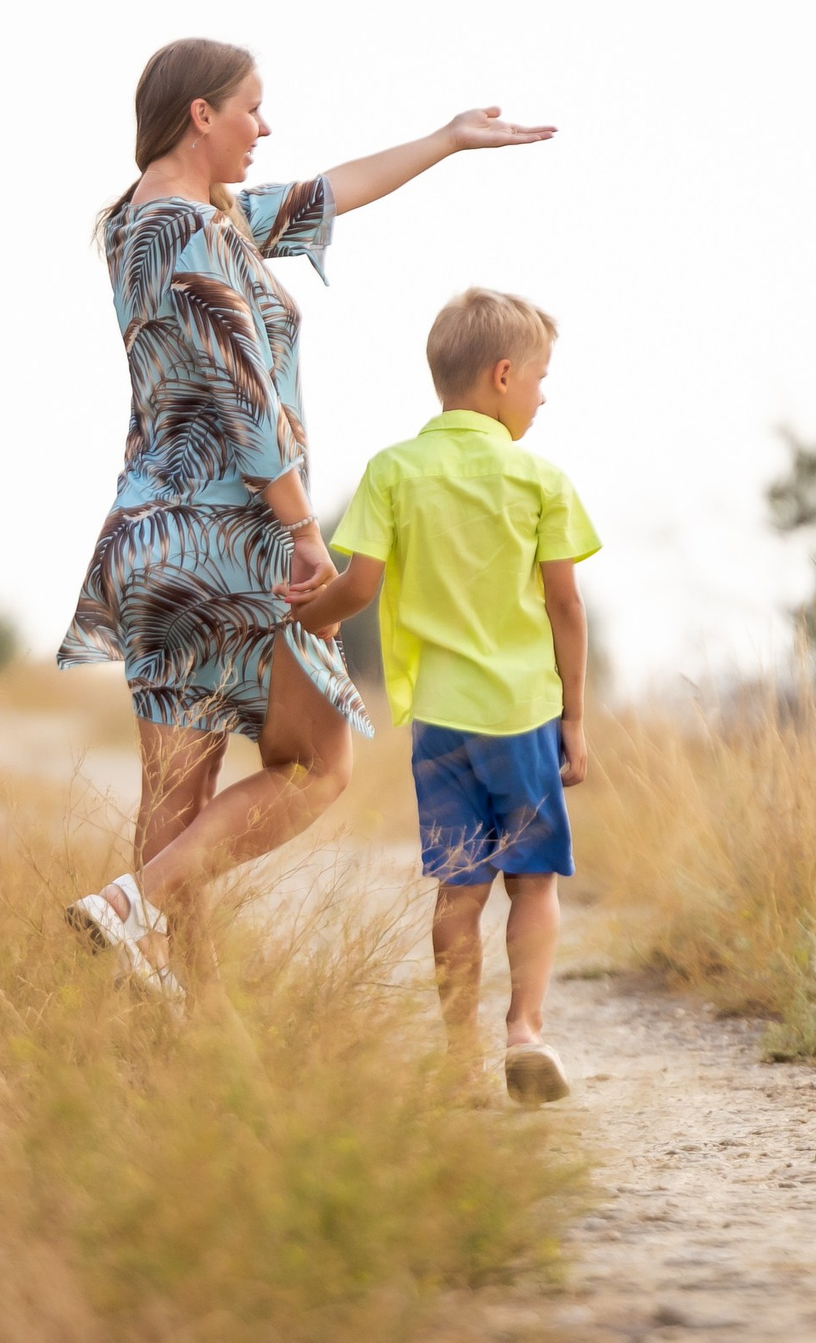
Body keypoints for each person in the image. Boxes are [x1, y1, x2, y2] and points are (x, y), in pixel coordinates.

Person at [59, 39, 553, 999]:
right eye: (252, 107)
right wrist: (299, 527)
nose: (264, 126)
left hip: (149, 540)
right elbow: (244, 392)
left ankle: (177, 1028)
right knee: (319, 766)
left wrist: (448, 139)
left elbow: (333, 190)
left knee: (180, 795)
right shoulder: (200, 233)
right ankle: (130, 904)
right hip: (233, 530)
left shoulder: (150, 221)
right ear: (201, 114)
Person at [289, 288, 598, 1104]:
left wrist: (301, 621)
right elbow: (566, 607)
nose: (543, 394)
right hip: (524, 717)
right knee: (533, 883)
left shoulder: (393, 469)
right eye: (539, 378)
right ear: (503, 376)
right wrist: (573, 718)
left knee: (458, 891)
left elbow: (356, 588)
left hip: (441, 723)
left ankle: (460, 1059)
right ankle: (524, 1031)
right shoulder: (539, 478)